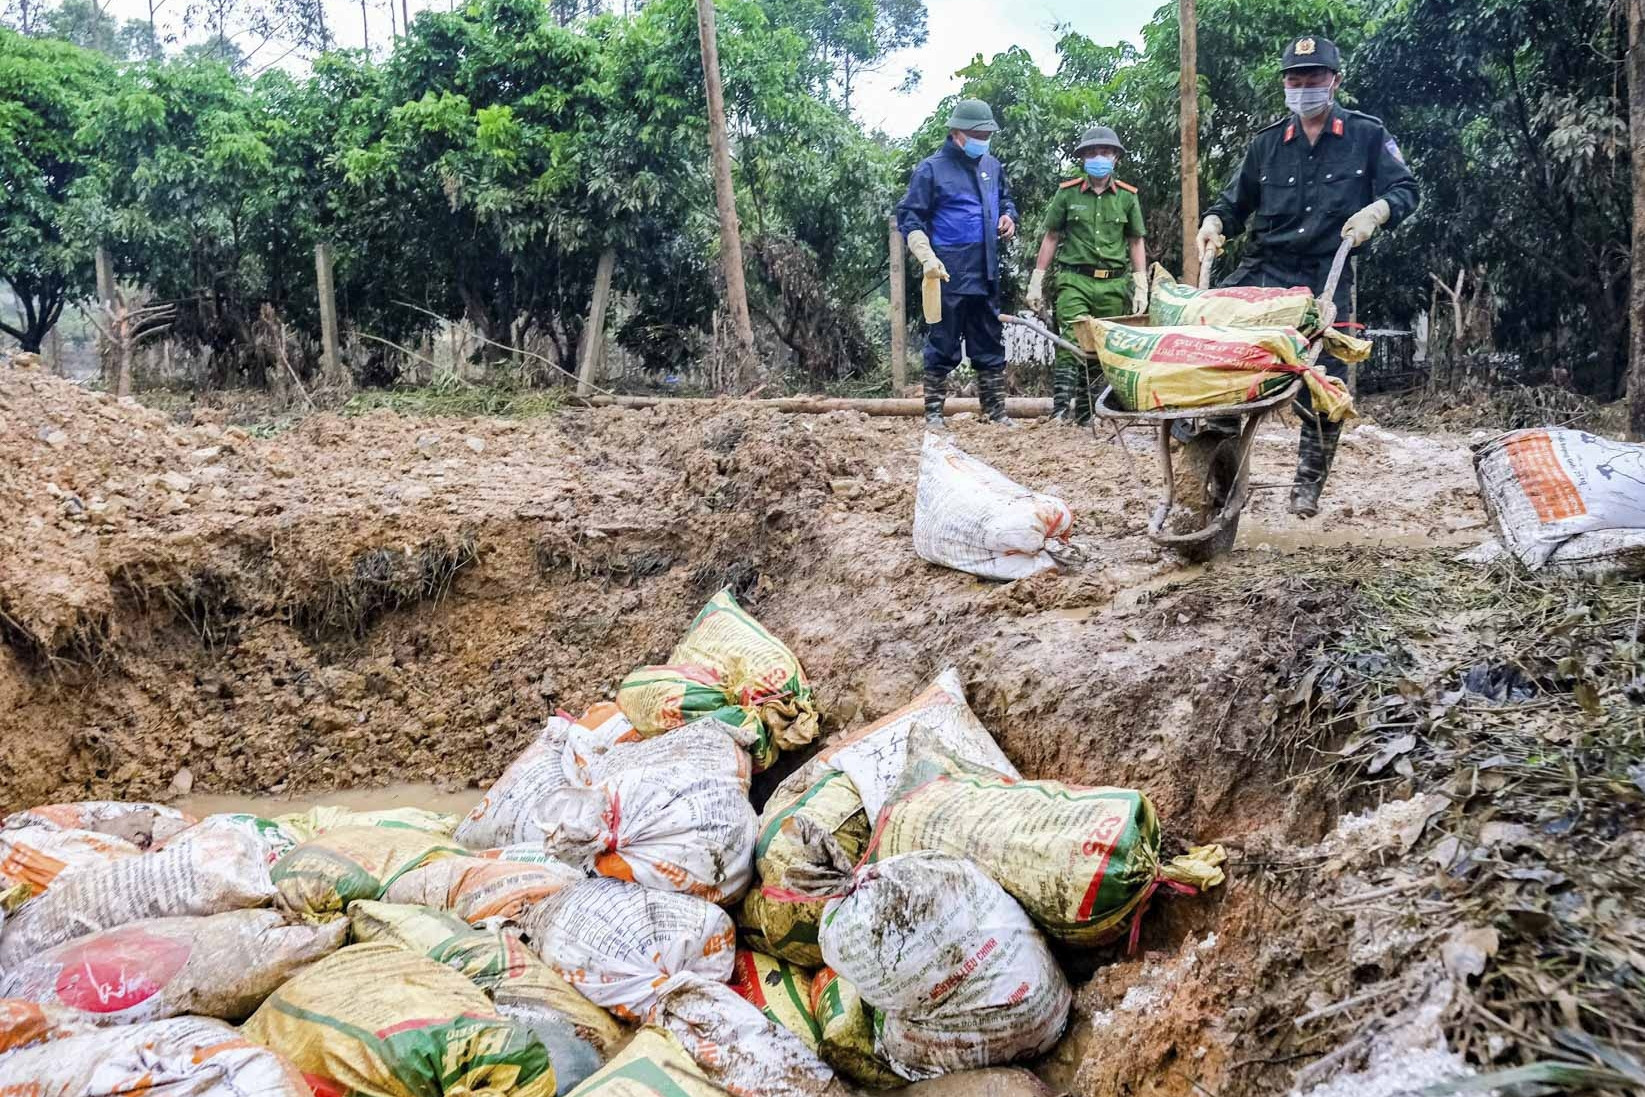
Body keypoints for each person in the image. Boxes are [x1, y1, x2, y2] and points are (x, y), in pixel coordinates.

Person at [1197, 35, 1419, 517]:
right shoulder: (1267, 144)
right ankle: (1218, 466)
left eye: (1313, 78)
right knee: (1217, 347)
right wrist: (1214, 223)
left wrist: (1377, 212)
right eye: (1294, 81)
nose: (1303, 89)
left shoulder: (1366, 135)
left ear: (1334, 80)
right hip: (1265, 269)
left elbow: (1405, 188)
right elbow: (1233, 204)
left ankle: (1307, 482)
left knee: (1324, 379)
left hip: (1326, 271)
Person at [896, 99, 1018, 427]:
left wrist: (1008, 216)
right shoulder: (931, 169)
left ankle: (995, 412)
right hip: (947, 270)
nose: (983, 139)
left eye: (987, 134)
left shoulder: (992, 166)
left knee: (989, 340)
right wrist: (925, 255)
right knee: (942, 342)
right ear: (957, 133)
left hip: (986, 269)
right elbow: (910, 216)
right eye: (977, 134)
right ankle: (934, 414)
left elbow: (1006, 200)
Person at [1026, 124, 1147, 424]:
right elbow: (1051, 236)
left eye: (1105, 152)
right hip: (1075, 280)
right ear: (1082, 158)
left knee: (1099, 346)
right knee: (1071, 340)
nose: (1099, 158)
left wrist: (1141, 283)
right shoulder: (1067, 194)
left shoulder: (1127, 197)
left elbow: (1135, 241)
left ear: (1116, 157)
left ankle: (1086, 414)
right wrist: (1037, 279)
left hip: (1114, 283)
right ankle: (1059, 413)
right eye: (1092, 153)